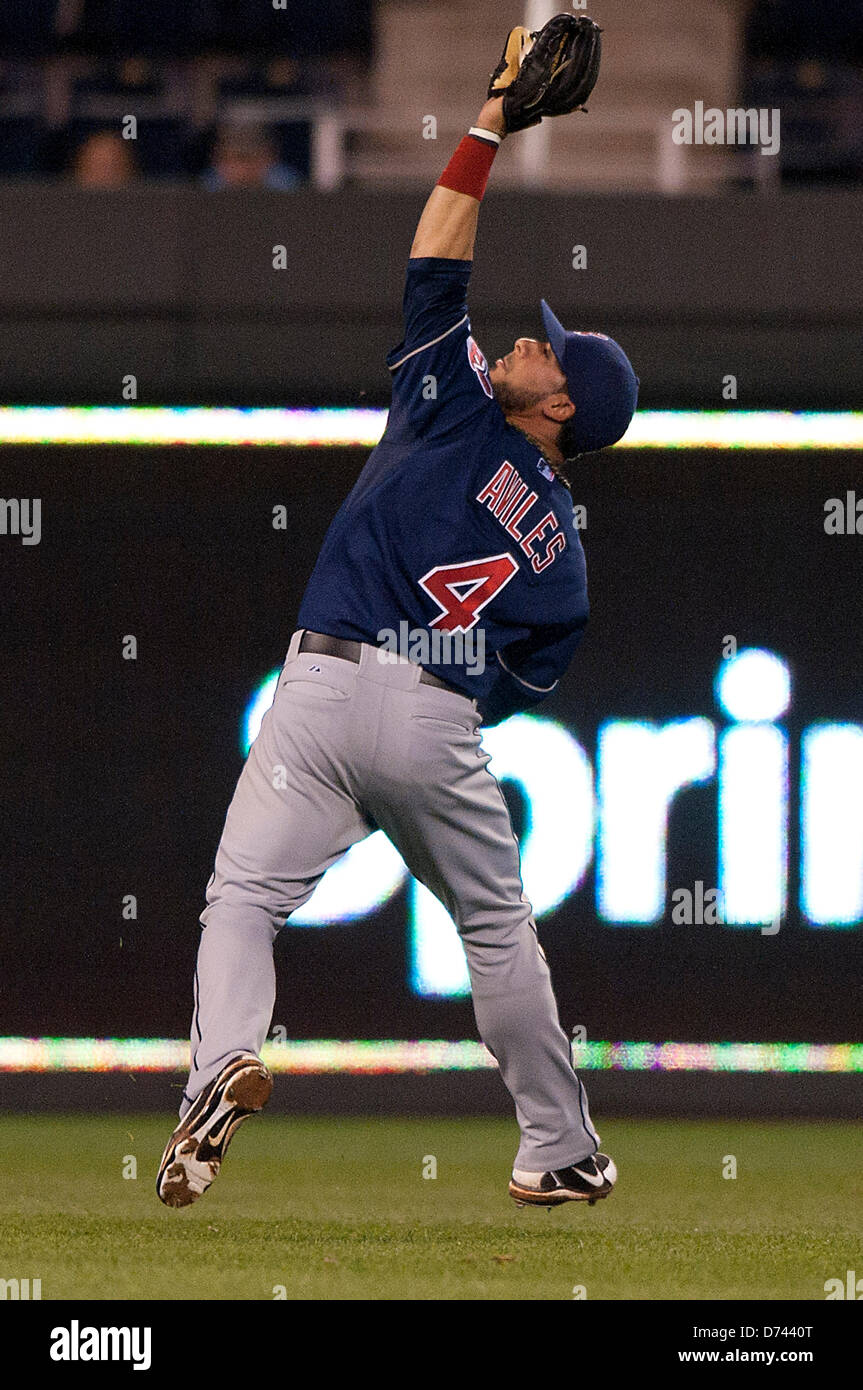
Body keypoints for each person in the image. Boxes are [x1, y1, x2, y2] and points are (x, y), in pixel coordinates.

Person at [158, 22, 638, 1212]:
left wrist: (489, 119)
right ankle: (557, 1148)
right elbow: (528, 683)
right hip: (433, 714)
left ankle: (222, 1060)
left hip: (317, 689)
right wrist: (429, 729)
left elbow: (433, 257)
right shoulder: (568, 556)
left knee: (241, 901)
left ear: (561, 403)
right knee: (495, 931)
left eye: (551, 347)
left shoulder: (455, 406)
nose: (529, 337)